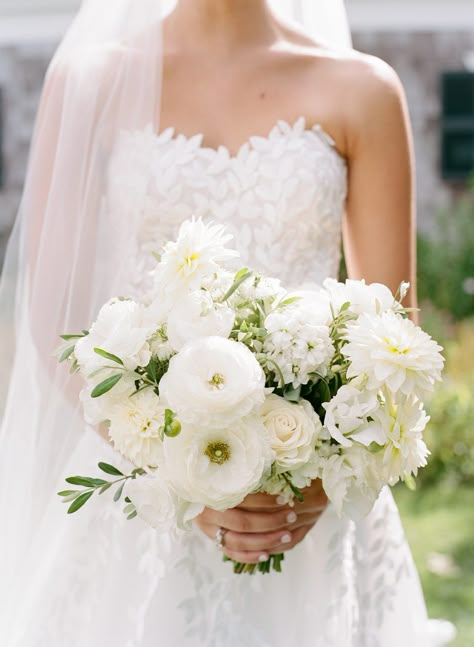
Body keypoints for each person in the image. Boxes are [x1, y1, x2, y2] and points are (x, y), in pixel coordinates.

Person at [0, 1, 456, 645]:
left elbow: (391, 330)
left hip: (306, 502)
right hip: (138, 493)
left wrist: (319, 475)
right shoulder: (91, 79)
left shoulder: (362, 88)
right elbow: (54, 317)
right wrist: (180, 471)